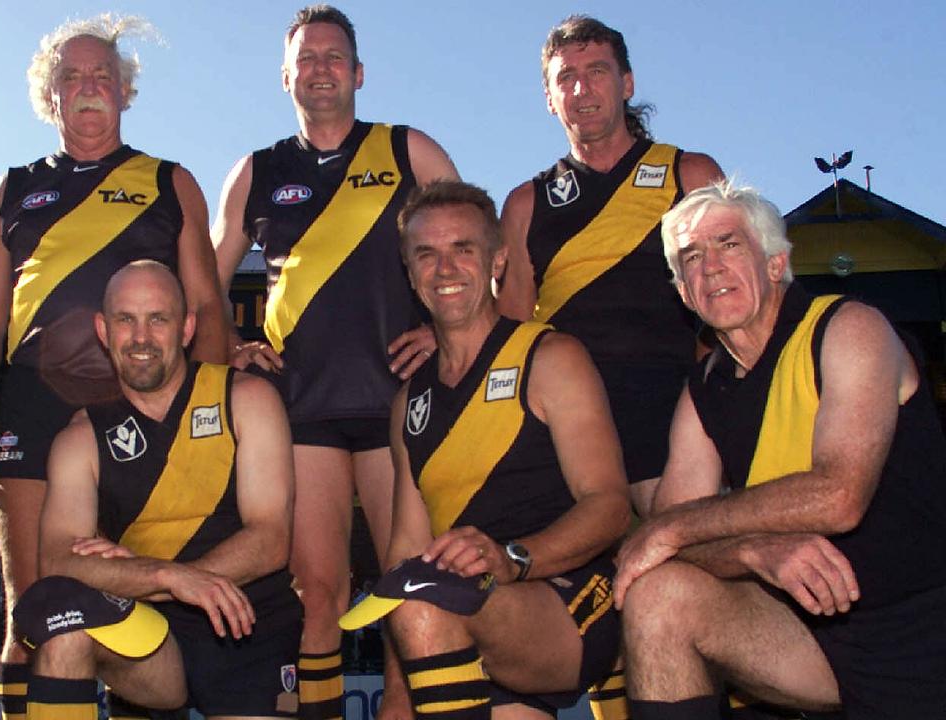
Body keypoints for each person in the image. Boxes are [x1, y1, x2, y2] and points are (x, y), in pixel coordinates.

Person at [614, 181, 946, 719]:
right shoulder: (705, 387)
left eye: (729, 244)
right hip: (813, 641)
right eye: (691, 258)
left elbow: (839, 495)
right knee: (659, 594)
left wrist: (672, 527)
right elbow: (672, 539)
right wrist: (750, 549)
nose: (711, 268)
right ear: (682, 291)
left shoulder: (848, 328)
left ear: (775, 264)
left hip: (924, 631)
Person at [211, 7, 458, 717]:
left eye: (333, 56)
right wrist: (227, 345)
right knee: (316, 593)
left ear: (357, 72)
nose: (319, 68)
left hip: (397, 401)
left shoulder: (408, 149)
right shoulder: (257, 171)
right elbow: (202, 276)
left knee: (407, 584)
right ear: (287, 76)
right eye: (306, 58)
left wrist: (449, 336)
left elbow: (471, 246)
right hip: (303, 408)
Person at [0, 17, 230, 718]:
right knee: (32, 612)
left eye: (102, 77)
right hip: (32, 406)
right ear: (49, 96)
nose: (88, 89)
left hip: (143, 415)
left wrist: (212, 419)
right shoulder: (12, 188)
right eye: (71, 77)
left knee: (138, 608)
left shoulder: (168, 180)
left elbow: (207, 307)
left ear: (125, 92)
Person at [350, 180, 629, 720]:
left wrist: (513, 558)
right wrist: (396, 697)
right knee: (426, 590)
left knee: (433, 594)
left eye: (464, 249)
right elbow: (405, 555)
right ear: (409, 273)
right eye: (426, 254)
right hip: (462, 616)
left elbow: (610, 506)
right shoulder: (409, 401)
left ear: (498, 259)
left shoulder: (550, 357)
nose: (445, 269)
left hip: (568, 600)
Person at [12, 260, 299, 719]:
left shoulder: (247, 399)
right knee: (65, 628)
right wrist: (167, 577)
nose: (141, 338)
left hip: (250, 624)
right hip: (149, 630)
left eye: (157, 319)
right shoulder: (81, 437)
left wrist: (171, 577)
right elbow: (58, 560)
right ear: (103, 331)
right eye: (126, 320)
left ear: (186, 329)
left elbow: (270, 540)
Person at [497, 15, 723, 516]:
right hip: (566, 414)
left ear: (627, 83)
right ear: (550, 98)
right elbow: (509, 332)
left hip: (671, 400)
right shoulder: (525, 204)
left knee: (681, 558)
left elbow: (733, 299)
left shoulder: (688, 174)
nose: (581, 88)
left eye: (597, 71)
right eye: (565, 77)